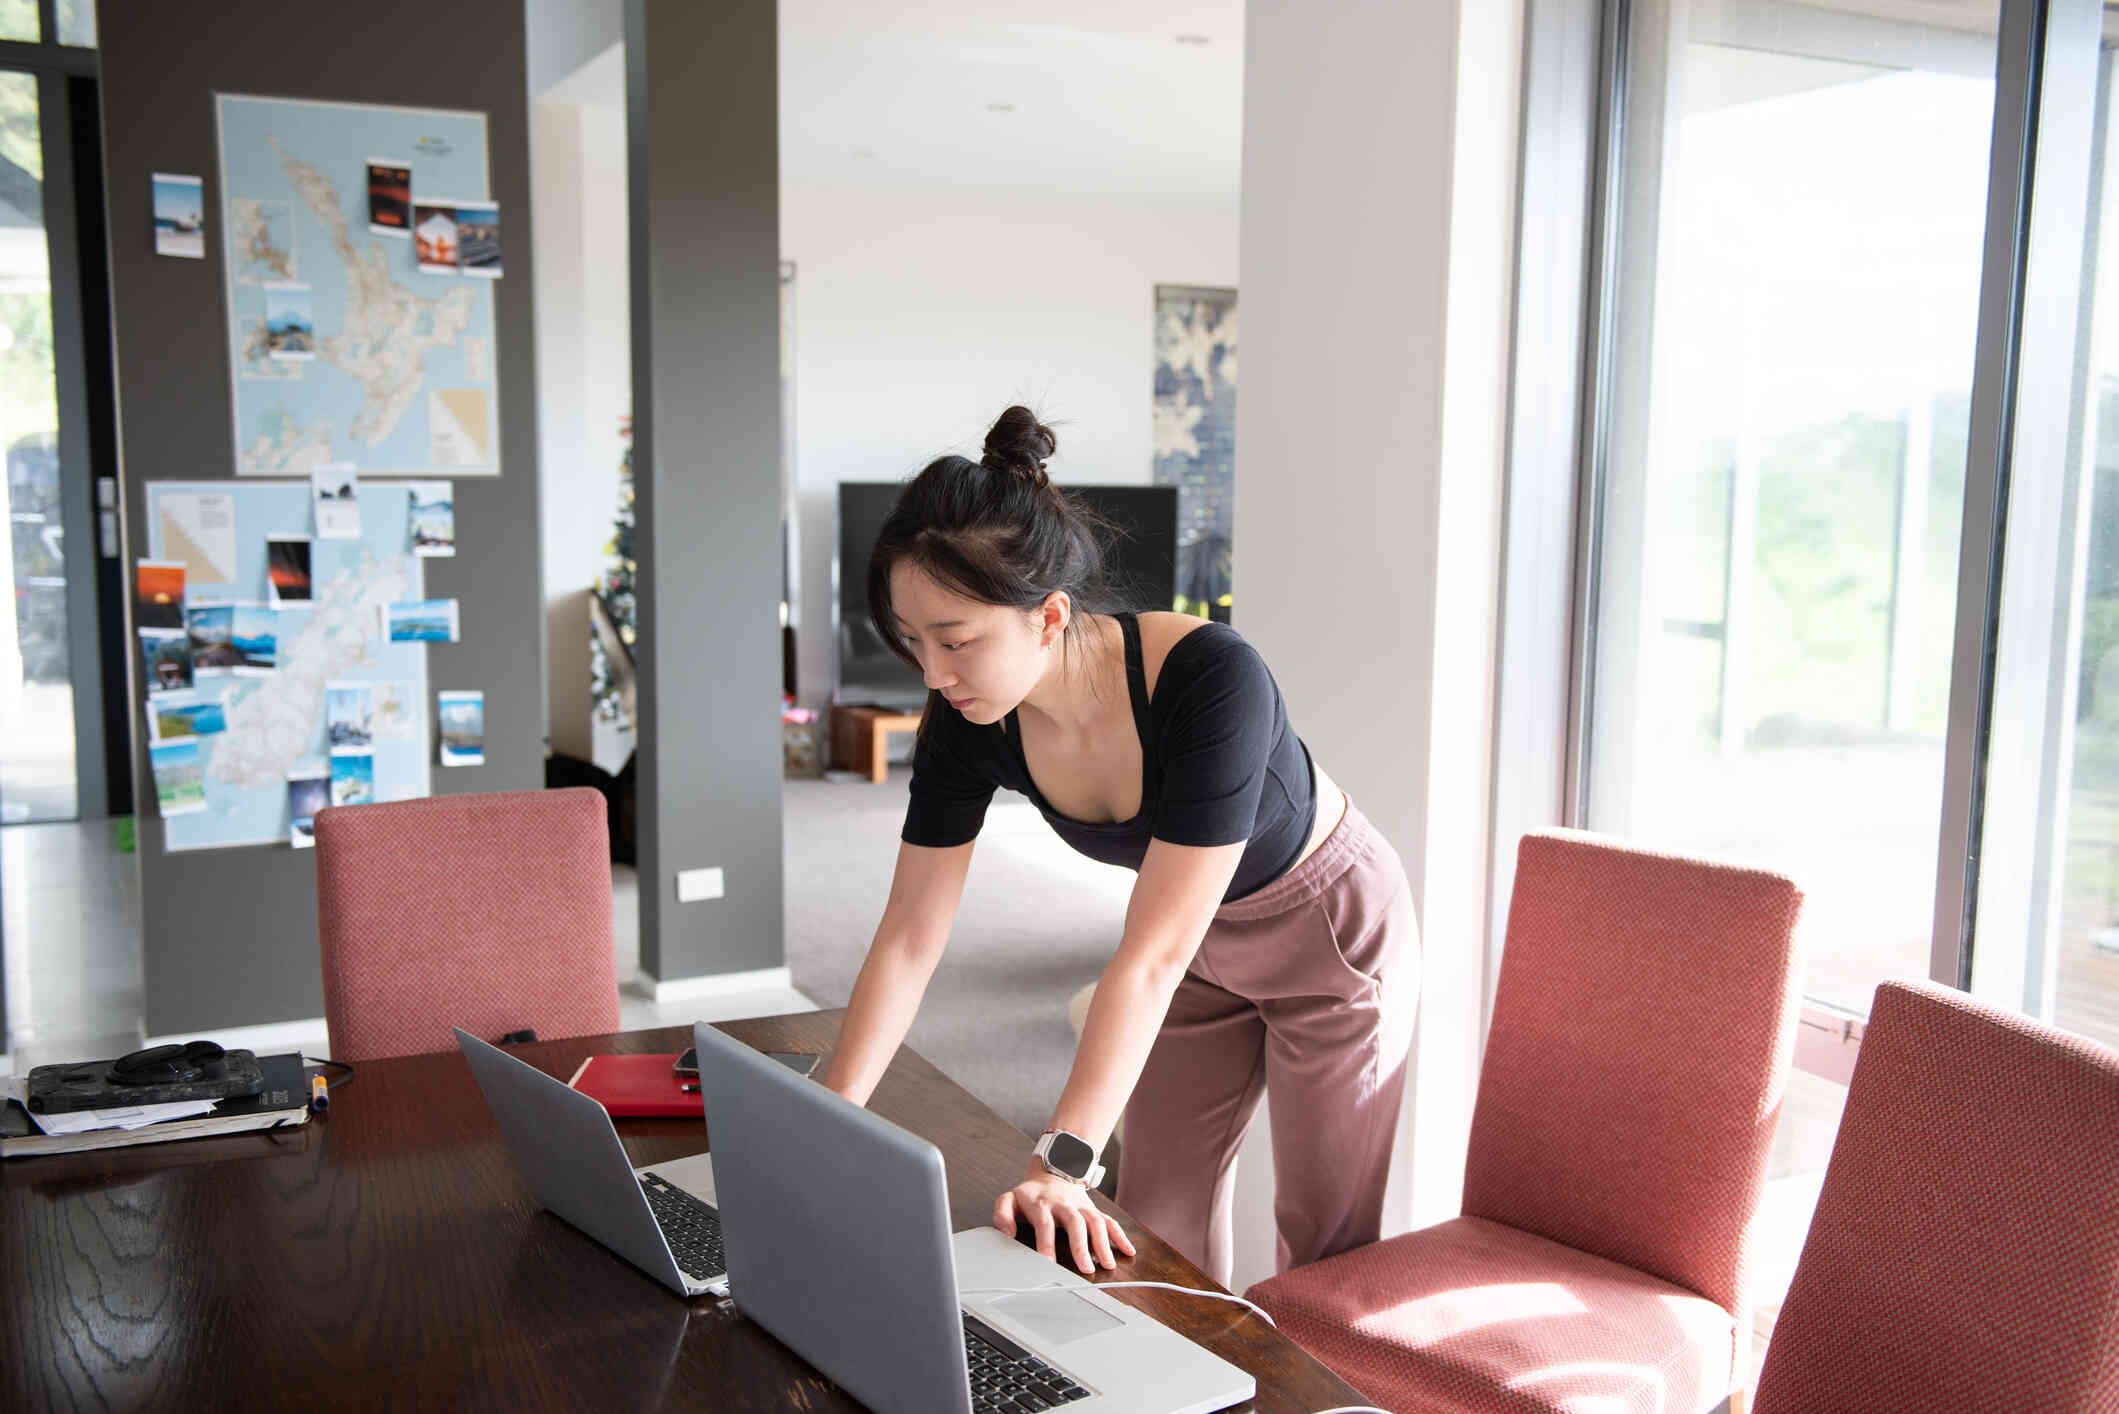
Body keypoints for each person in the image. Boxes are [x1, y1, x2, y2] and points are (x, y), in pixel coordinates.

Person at [820, 406, 1420, 1289]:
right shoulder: (964, 718)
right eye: (913, 642)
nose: (932, 675)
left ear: (1050, 616)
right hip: (1193, 945)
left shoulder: (1212, 678)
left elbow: (1148, 956)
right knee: (1151, 1222)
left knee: (1321, 1241)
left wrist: (1056, 1164)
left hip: (1326, 933)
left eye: (955, 640)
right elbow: (910, 934)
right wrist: (830, 1117)